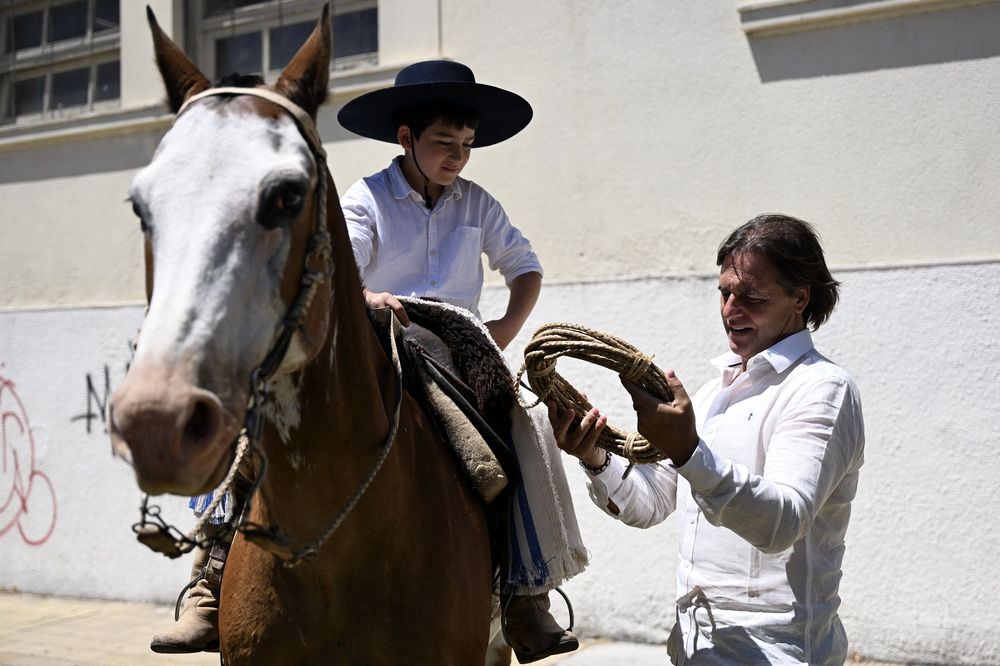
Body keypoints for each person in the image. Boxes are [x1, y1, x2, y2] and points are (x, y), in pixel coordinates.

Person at [337, 60, 583, 664]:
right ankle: (215, 565)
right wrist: (367, 296)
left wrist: (502, 330)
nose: (458, 157)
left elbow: (524, 266)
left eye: (467, 145)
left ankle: (528, 591)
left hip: (460, 344)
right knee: (273, 398)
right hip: (379, 338)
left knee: (531, 423)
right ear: (405, 139)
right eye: (444, 143)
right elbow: (339, 268)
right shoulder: (366, 196)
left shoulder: (478, 203)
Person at [550, 214, 865, 665]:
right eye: (724, 292)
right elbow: (653, 503)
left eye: (752, 296)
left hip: (778, 653)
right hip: (697, 646)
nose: (731, 310)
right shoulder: (715, 391)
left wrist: (687, 450)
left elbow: (782, 524)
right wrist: (595, 455)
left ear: (800, 297)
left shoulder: (823, 389)